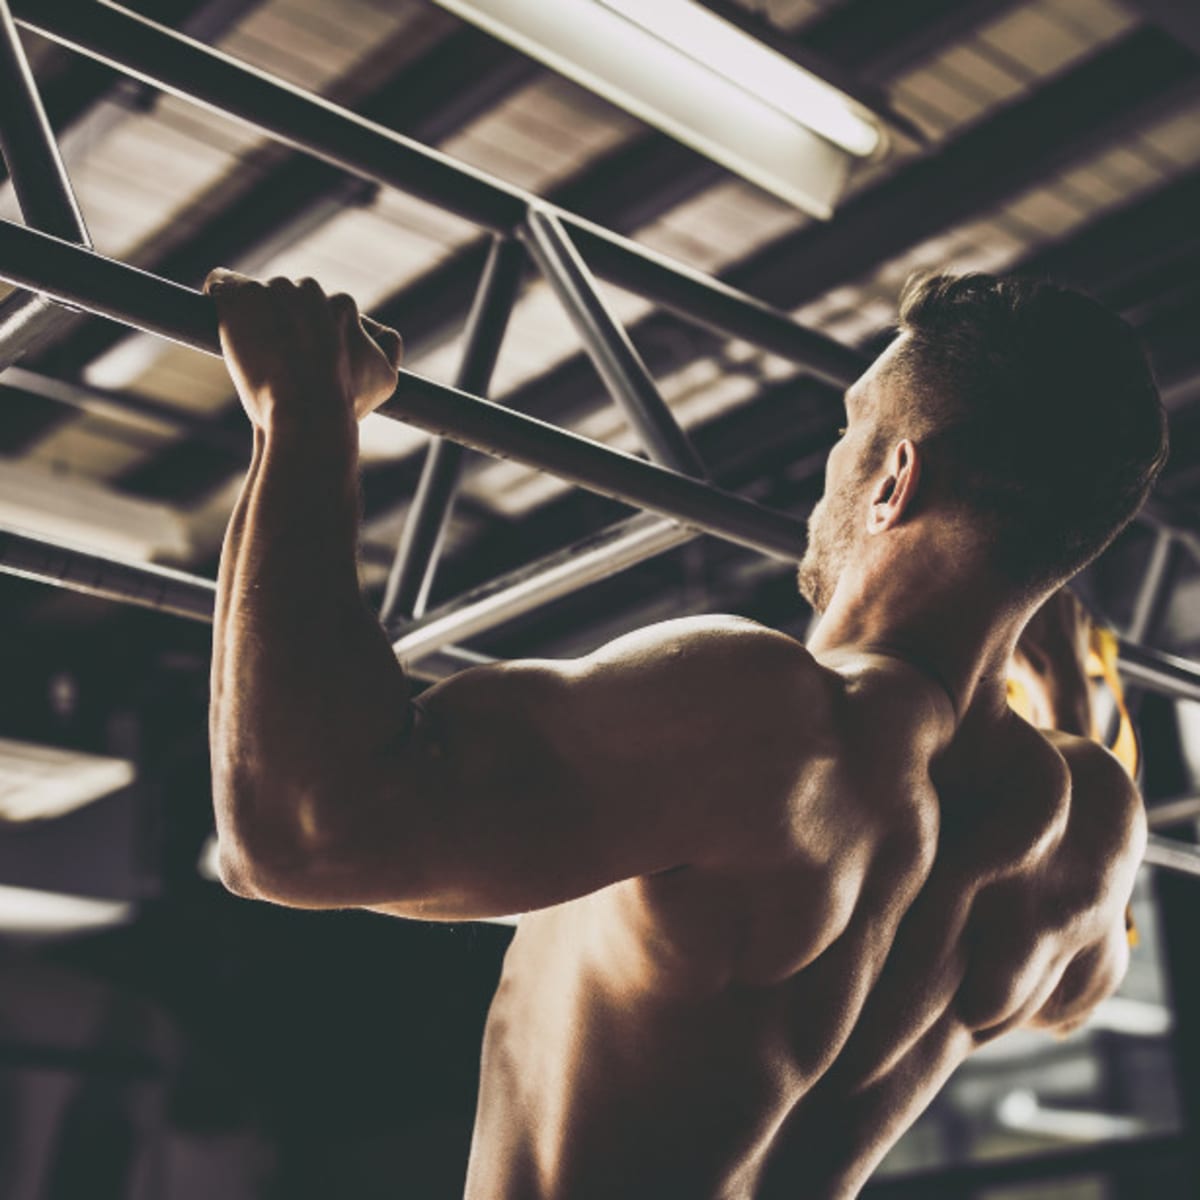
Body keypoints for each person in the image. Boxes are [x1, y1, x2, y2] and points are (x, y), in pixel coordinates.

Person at [204, 267, 1167, 1199]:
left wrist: (304, 414)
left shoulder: (773, 721)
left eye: (851, 429)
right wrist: (1079, 716)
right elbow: (1076, 993)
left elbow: (296, 836)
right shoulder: (1088, 825)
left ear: (893, 481)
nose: (832, 462)